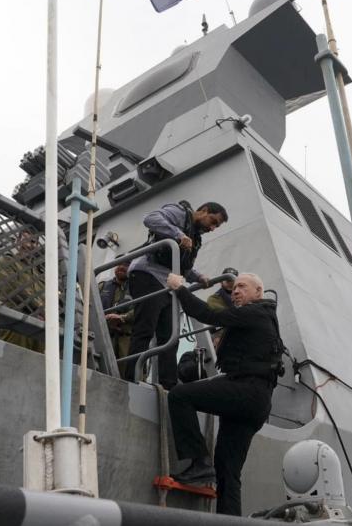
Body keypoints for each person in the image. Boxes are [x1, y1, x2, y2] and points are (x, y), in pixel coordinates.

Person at [165, 271, 283, 516]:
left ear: (258, 292)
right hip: (257, 401)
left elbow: (210, 314)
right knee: (228, 471)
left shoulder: (255, 312)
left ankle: (198, 462)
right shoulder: (264, 316)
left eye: (242, 287)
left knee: (179, 395)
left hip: (246, 391)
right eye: (234, 288)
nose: (236, 291)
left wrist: (180, 288)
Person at [125, 201, 228, 388]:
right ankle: (130, 377)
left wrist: (198, 277)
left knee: (170, 336)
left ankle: (168, 384)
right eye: (213, 221)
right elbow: (150, 218)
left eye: (216, 226)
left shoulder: (195, 237)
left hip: (168, 284)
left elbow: (183, 267)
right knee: (145, 329)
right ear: (203, 211)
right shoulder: (179, 213)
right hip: (147, 274)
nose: (212, 228)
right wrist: (178, 234)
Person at [0, 228, 45, 352]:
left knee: (37, 366)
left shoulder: (39, 274)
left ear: (37, 246)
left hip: (38, 328)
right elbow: (12, 290)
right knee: (13, 359)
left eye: (33, 242)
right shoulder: (7, 260)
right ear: (17, 241)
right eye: (25, 240)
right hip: (14, 322)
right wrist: (42, 308)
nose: (29, 245)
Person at [99, 260, 134, 376]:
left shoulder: (137, 288)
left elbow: (142, 309)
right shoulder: (102, 286)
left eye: (126, 265)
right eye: (119, 264)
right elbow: (90, 306)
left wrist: (122, 317)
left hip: (126, 339)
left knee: (126, 374)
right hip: (103, 335)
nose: (121, 267)